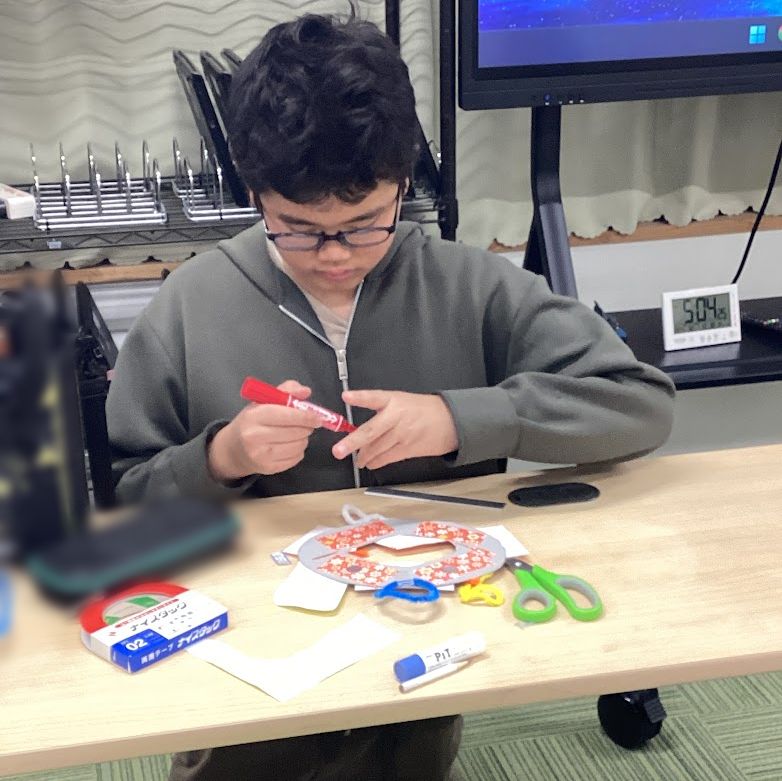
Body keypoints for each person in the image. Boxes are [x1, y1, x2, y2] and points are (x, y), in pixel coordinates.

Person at [106, 11, 676, 781]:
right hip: (252, 672)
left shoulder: (468, 285)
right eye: (297, 228)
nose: (334, 256)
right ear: (255, 192)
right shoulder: (190, 304)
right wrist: (221, 456)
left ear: (405, 184)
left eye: (365, 223)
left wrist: (460, 418)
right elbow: (124, 499)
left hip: (418, 659)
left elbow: (639, 400)